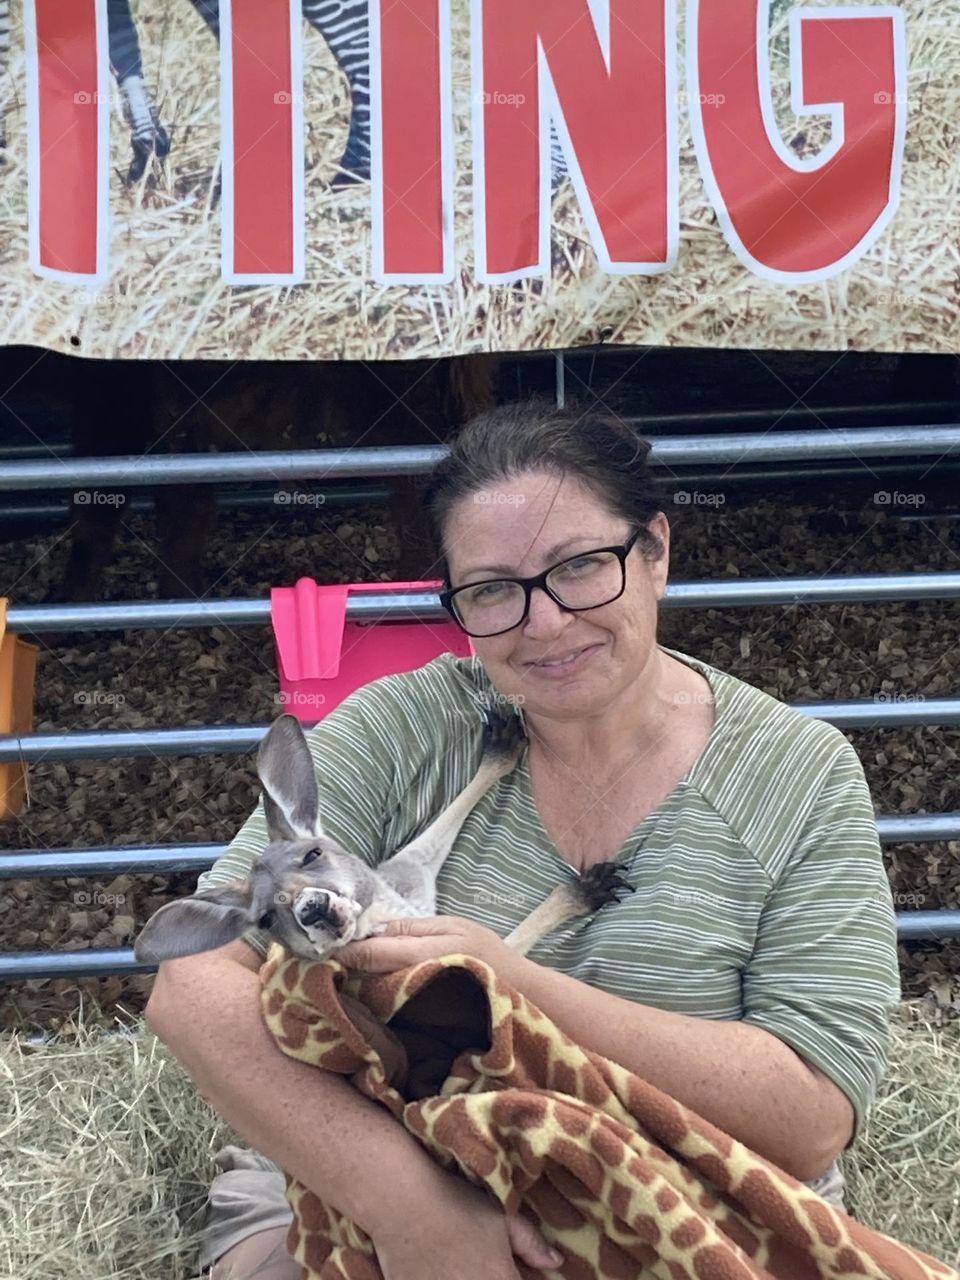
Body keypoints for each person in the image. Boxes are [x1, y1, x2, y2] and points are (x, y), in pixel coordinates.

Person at [145, 399, 901, 1280]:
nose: (542, 623)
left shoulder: (797, 776)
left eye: (580, 566)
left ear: (656, 552)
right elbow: (191, 981)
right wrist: (415, 1209)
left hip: (673, 1187)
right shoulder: (409, 724)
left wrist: (514, 986)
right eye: (493, 589)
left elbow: (810, 1119)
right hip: (373, 1160)